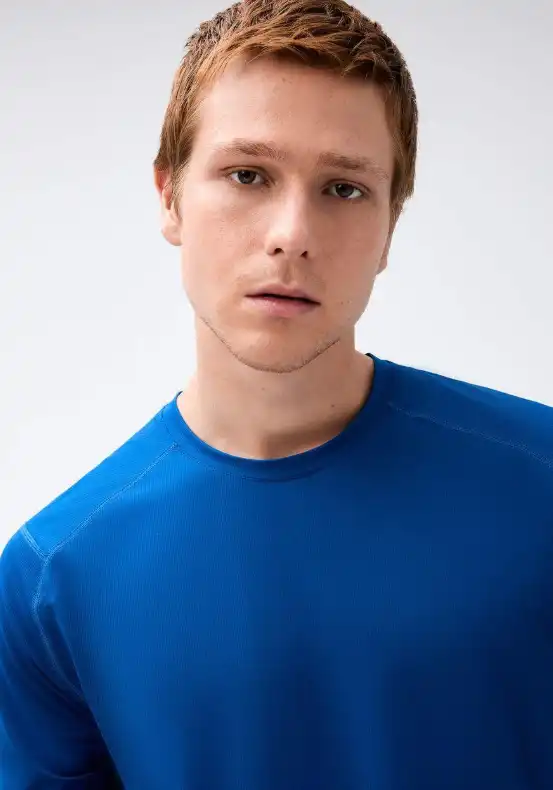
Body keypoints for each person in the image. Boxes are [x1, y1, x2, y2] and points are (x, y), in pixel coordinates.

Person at [1, 0, 553, 787]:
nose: (291, 233)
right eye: (247, 175)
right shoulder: (56, 578)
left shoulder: (540, 483)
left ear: (390, 226)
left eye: (343, 189)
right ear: (168, 196)